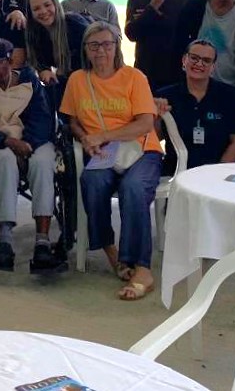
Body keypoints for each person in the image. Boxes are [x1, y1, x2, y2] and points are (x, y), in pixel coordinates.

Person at [60, 21, 163, 301]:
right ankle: (112, 252)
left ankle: (142, 267)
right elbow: (72, 120)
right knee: (91, 181)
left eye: (107, 44)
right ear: (86, 50)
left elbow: (144, 124)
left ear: (117, 46)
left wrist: (103, 135)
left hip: (141, 150)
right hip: (103, 154)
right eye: (94, 45)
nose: (101, 50)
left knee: (133, 188)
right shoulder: (78, 80)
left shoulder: (134, 77)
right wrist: (84, 138)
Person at [0, 38, 59, 271]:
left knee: (43, 161)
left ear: (10, 61)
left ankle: (42, 241)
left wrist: (26, 144)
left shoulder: (30, 83)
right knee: (5, 159)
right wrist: (8, 142)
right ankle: (5, 241)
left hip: (34, 142)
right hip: (2, 144)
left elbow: (43, 120)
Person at [154, 40, 235, 173]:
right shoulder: (165, 96)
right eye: (194, 58)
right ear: (184, 60)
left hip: (218, 171)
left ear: (213, 67)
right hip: (175, 172)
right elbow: (156, 137)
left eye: (206, 60)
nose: (199, 64)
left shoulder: (231, 96)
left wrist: (218, 173)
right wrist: (156, 115)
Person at [125, 0, 195, 90]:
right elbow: (131, 34)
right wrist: (152, 6)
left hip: (177, 74)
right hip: (145, 72)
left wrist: (146, 17)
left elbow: (190, 35)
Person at [24, 0, 88, 109]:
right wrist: (43, 70)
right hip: (61, 90)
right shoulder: (35, 33)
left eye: (47, 5)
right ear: (31, 13)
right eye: (36, 8)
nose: (43, 11)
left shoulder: (75, 24)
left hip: (86, 87)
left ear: (56, 5)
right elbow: (38, 62)